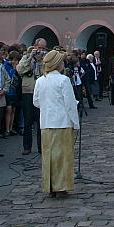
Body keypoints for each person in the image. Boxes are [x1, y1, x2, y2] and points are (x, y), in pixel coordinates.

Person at [33, 50, 80, 198]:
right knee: (63, 155)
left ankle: (50, 185)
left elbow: (36, 101)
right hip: (62, 122)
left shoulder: (40, 81)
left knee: (49, 155)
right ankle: (61, 186)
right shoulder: (63, 80)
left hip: (46, 122)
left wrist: (48, 107)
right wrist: (75, 122)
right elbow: (70, 104)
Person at [17, 45, 44, 155]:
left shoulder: (43, 59)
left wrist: (40, 61)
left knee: (40, 121)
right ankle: (27, 146)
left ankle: (41, 146)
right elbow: (19, 70)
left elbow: (45, 72)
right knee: (28, 120)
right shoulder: (25, 58)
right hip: (28, 92)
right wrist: (30, 58)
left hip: (40, 92)